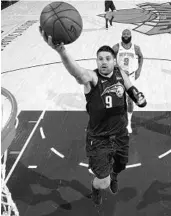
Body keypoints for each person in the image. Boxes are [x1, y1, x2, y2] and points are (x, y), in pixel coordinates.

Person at [39, 27, 147, 205]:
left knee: (121, 165)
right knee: (102, 181)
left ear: (114, 61)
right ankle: (96, 188)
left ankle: (114, 175)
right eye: (100, 59)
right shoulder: (92, 78)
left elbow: (131, 90)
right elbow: (77, 72)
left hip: (120, 134)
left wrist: (139, 98)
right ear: (96, 61)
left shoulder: (121, 74)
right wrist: (62, 51)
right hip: (99, 139)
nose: (103, 62)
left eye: (107, 59)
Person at [112, 29, 144, 133]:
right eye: (124, 34)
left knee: (131, 100)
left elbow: (141, 57)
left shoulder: (136, 48)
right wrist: (116, 67)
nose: (126, 36)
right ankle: (117, 121)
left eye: (128, 34)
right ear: (122, 35)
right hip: (119, 76)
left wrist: (139, 70)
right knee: (118, 99)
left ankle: (128, 123)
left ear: (130, 36)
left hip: (131, 77)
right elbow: (110, 58)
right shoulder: (116, 47)